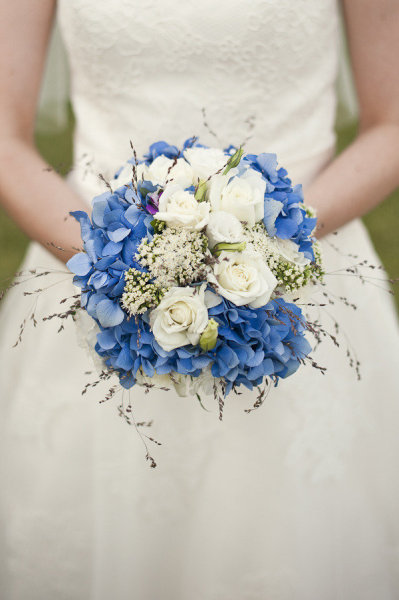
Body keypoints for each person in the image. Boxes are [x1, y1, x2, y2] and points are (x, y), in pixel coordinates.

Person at [0, 1, 399, 598]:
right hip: (97, 272)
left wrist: (264, 251)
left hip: (299, 267)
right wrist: (112, 266)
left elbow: (392, 120)